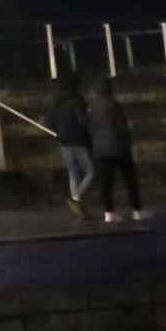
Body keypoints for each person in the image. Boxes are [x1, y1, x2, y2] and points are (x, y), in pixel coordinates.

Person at [85, 74, 146, 222]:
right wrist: (129, 141)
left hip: (100, 150)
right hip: (119, 148)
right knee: (130, 180)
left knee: (106, 183)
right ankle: (136, 210)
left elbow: (89, 127)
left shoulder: (91, 107)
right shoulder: (114, 104)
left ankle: (109, 213)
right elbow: (122, 127)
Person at [47, 75, 95, 212]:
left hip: (63, 142)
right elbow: (83, 121)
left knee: (73, 172)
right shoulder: (77, 101)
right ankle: (76, 198)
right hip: (78, 141)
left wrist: (59, 131)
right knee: (91, 171)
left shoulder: (56, 102)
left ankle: (77, 203)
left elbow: (49, 122)